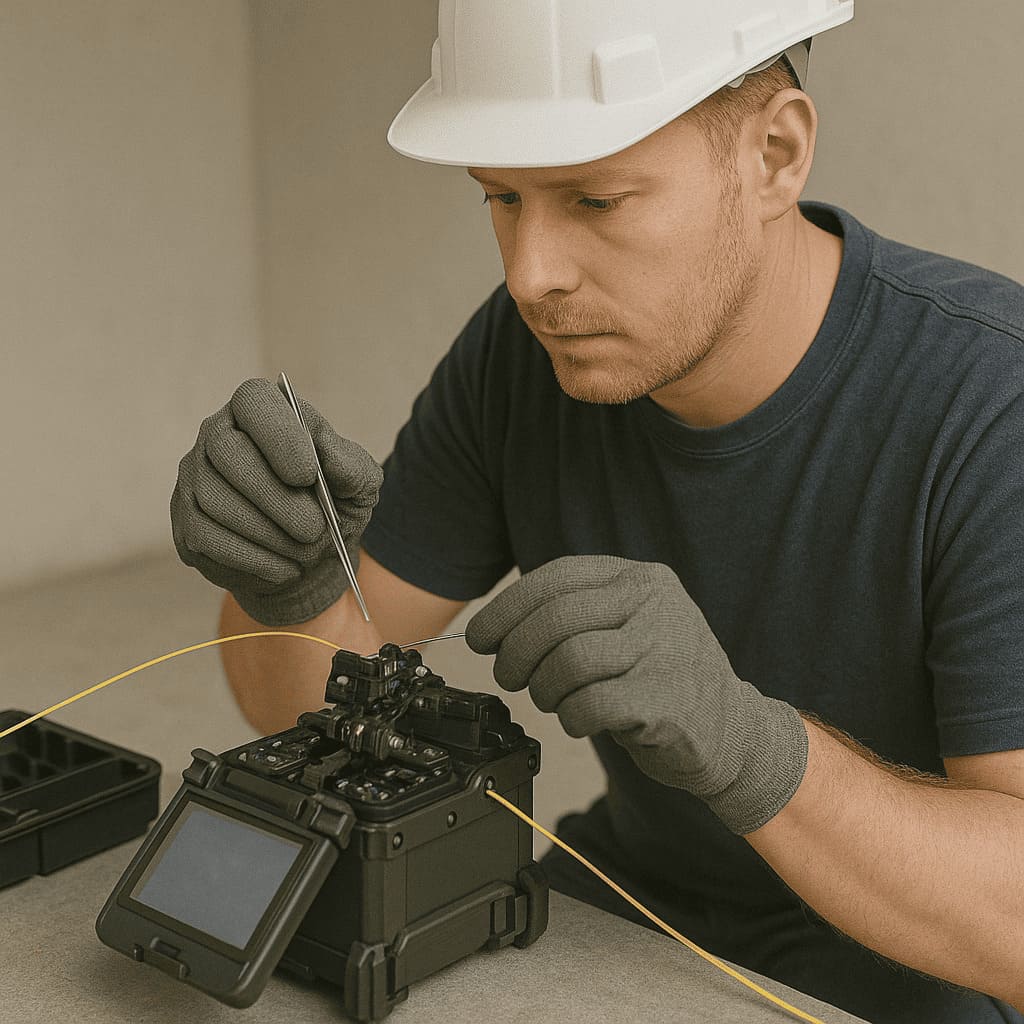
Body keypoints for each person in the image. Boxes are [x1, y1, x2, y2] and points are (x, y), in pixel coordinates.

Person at [170, 2, 1024, 1020]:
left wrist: (752, 747)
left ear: (774, 153)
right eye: (500, 198)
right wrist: (292, 583)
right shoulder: (524, 356)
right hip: (634, 900)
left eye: (597, 200)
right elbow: (291, 705)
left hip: (914, 964)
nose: (532, 274)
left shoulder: (990, 406)